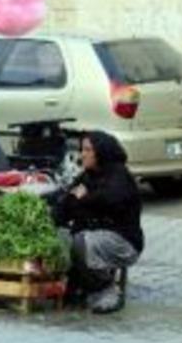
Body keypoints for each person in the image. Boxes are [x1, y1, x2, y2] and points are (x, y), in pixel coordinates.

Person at [54, 131, 144, 314]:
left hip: (123, 242)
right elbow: (68, 204)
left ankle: (106, 289)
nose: (82, 154)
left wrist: (85, 198)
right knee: (61, 237)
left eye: (88, 150)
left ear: (101, 152)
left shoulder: (120, 177)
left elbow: (109, 200)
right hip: (92, 237)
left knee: (81, 241)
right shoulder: (87, 176)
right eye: (82, 149)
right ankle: (75, 287)